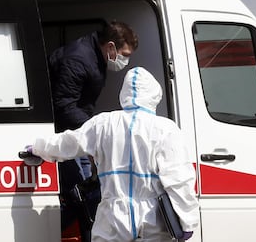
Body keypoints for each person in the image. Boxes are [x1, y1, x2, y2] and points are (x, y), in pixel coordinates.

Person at [25, 67, 199, 241]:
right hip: (152, 220)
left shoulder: (104, 123)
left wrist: (39, 148)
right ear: (155, 94)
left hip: (113, 218)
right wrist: (187, 220)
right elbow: (179, 179)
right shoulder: (166, 129)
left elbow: (69, 143)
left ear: (124, 94)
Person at [48, 21, 139, 241]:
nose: (125, 60)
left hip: (78, 132)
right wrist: (95, 132)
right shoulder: (79, 59)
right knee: (81, 196)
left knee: (87, 194)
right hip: (68, 136)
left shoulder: (94, 57)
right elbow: (64, 106)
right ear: (110, 47)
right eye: (124, 54)